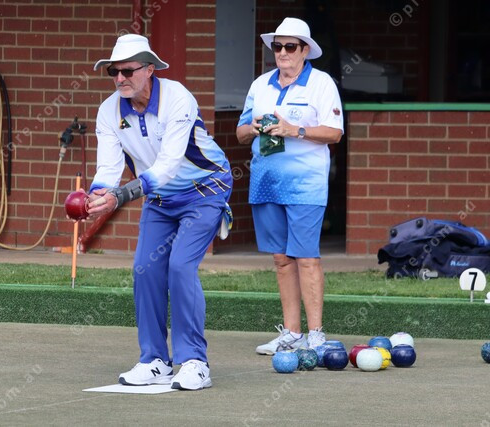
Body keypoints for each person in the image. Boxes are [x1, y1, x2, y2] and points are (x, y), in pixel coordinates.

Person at [84, 34, 233, 390]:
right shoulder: (108, 111)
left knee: (180, 266)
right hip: (160, 199)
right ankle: (154, 360)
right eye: (113, 72)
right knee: (145, 269)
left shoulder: (178, 98)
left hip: (205, 189)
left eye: (128, 71)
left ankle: (195, 362)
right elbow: (108, 168)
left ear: (149, 69)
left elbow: (167, 165)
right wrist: (96, 197)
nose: (120, 78)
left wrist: (120, 196)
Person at [236, 17, 343, 354]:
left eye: (290, 46)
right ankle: (292, 333)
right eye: (277, 46)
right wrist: (254, 128)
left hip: (306, 184)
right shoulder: (260, 84)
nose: (282, 52)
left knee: (306, 257)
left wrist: (293, 130)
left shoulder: (321, 83)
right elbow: (240, 132)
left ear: (305, 50)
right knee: (281, 259)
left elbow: (335, 133)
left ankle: (316, 334)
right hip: (265, 181)